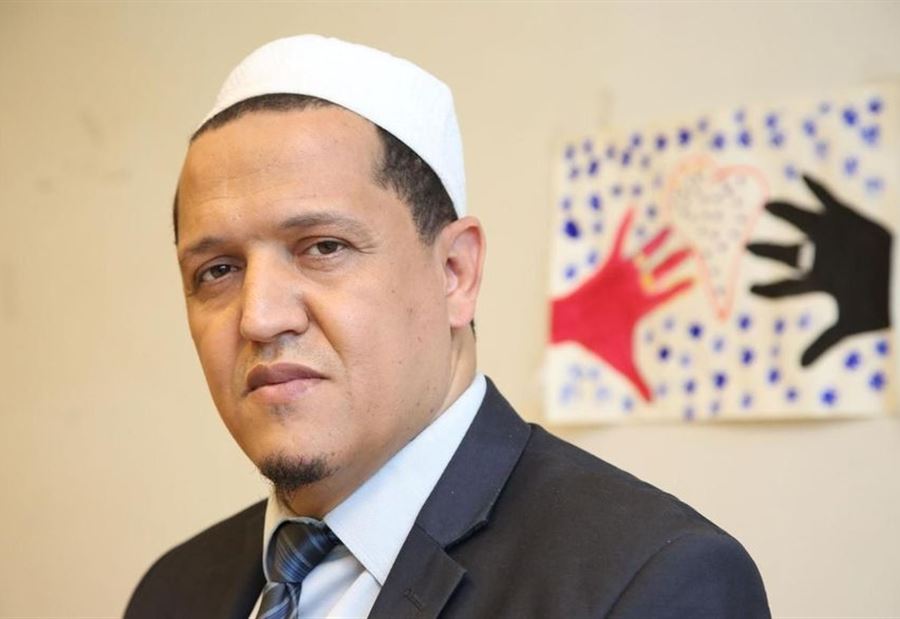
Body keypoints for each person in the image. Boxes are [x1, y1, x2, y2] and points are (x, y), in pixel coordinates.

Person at [125, 35, 770, 619]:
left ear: (456, 272)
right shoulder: (172, 591)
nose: (261, 316)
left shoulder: (649, 583)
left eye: (322, 247)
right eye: (217, 270)